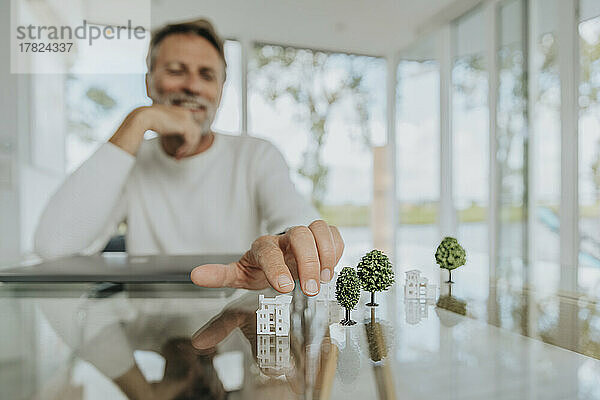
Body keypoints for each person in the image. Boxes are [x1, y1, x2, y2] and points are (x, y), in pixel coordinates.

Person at [34, 18, 344, 296]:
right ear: (148, 82)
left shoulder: (256, 155)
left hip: (236, 330)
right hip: (149, 332)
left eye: (206, 75)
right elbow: (53, 246)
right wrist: (138, 121)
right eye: (175, 71)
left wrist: (293, 240)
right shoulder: (132, 162)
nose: (192, 86)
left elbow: (296, 222)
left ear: (221, 89)